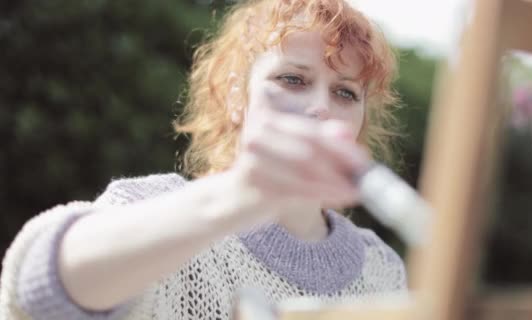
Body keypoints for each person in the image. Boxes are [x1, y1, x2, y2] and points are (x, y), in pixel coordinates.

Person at [0, 0, 406, 319]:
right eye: (293, 79)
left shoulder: (384, 269)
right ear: (236, 98)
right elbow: (34, 292)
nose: (320, 107)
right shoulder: (151, 208)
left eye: (345, 93)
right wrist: (235, 197)